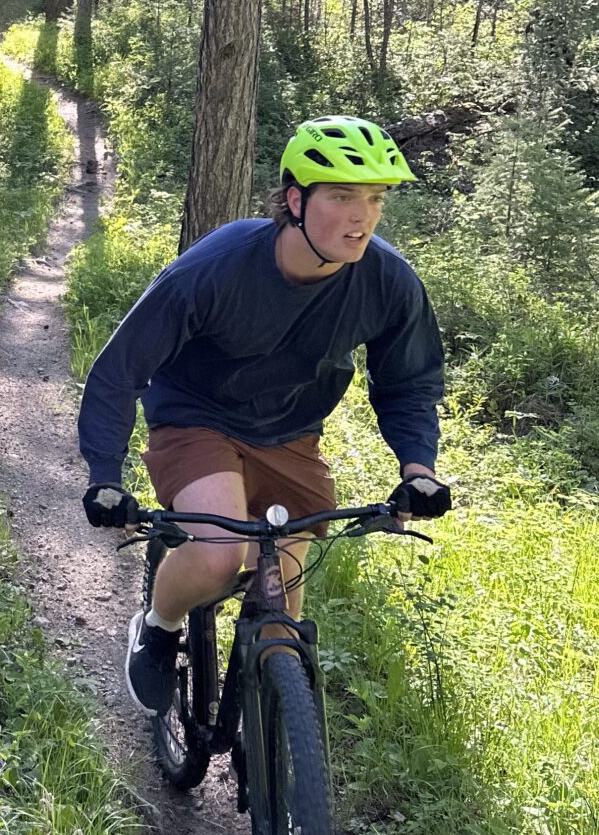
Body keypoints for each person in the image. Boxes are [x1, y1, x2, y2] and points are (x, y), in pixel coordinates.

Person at [78, 115, 452, 714]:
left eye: (376, 199)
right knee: (222, 554)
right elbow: (121, 369)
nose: (363, 216)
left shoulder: (387, 280)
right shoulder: (219, 267)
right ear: (296, 200)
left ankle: (277, 741)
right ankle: (159, 624)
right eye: (342, 197)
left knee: (282, 598)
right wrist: (105, 475)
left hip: (290, 433)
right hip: (196, 417)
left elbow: (408, 381)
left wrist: (417, 469)